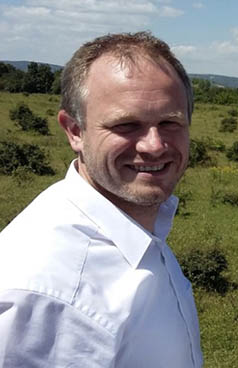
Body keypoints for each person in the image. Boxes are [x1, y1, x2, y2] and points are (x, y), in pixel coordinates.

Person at [0, 32, 203, 367]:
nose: (154, 145)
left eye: (170, 122)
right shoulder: (45, 295)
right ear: (74, 131)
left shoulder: (136, 232)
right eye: (126, 124)